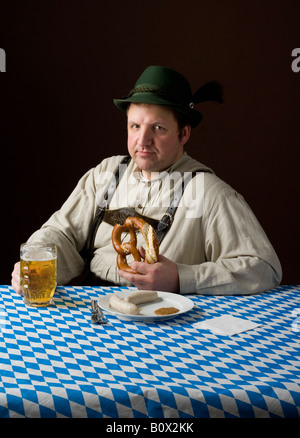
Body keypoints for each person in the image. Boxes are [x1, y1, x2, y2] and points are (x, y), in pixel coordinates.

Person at [11, 65, 282, 295]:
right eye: (135, 126)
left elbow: (264, 268)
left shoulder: (207, 192)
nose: (143, 140)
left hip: (168, 328)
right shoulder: (106, 174)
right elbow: (62, 234)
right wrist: (34, 261)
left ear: (184, 134)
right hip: (95, 314)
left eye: (158, 128)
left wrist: (181, 278)